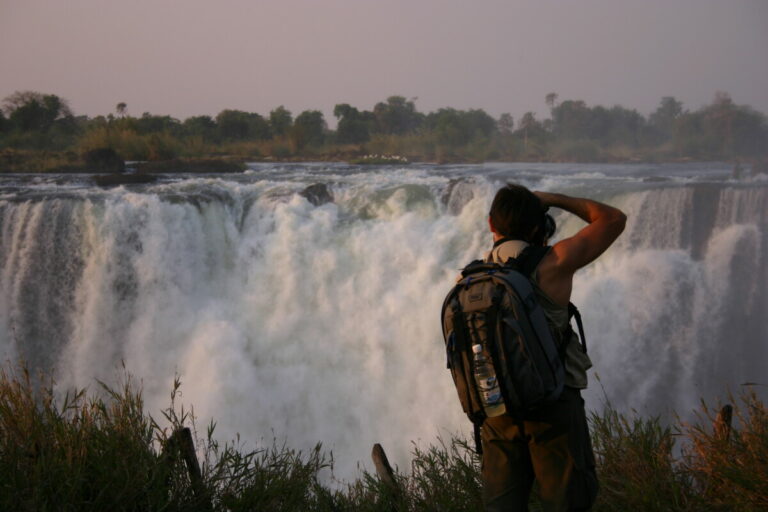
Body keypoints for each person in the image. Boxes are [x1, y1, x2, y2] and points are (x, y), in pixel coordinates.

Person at [480, 184, 626, 511]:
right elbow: (614, 219)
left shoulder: (473, 280)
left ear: (491, 224)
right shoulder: (554, 263)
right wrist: (553, 199)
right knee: (566, 501)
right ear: (537, 227)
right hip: (552, 407)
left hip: (496, 409)